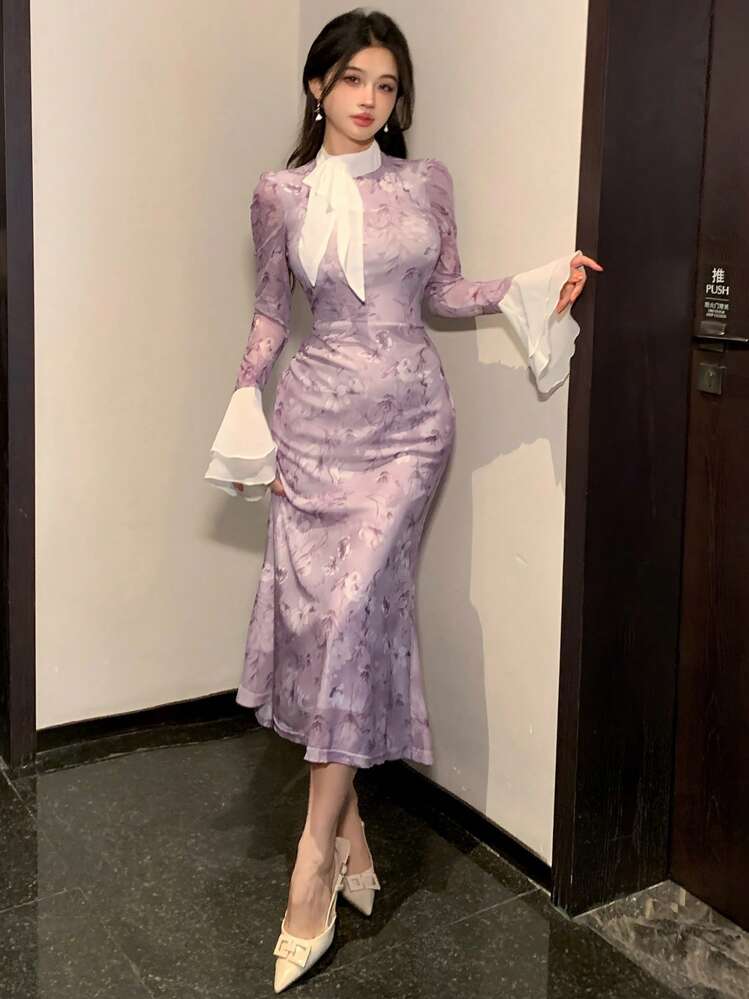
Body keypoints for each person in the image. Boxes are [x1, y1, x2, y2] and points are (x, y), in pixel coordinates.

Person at [204, 8, 602, 992]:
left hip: (410, 427)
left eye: (384, 85)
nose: (368, 100)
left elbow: (443, 291)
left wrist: (531, 285)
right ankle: (348, 824)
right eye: (352, 80)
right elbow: (270, 312)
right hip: (313, 421)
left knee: (350, 613)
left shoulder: (424, 183)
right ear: (317, 86)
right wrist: (245, 407)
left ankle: (310, 861)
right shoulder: (280, 193)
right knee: (324, 625)